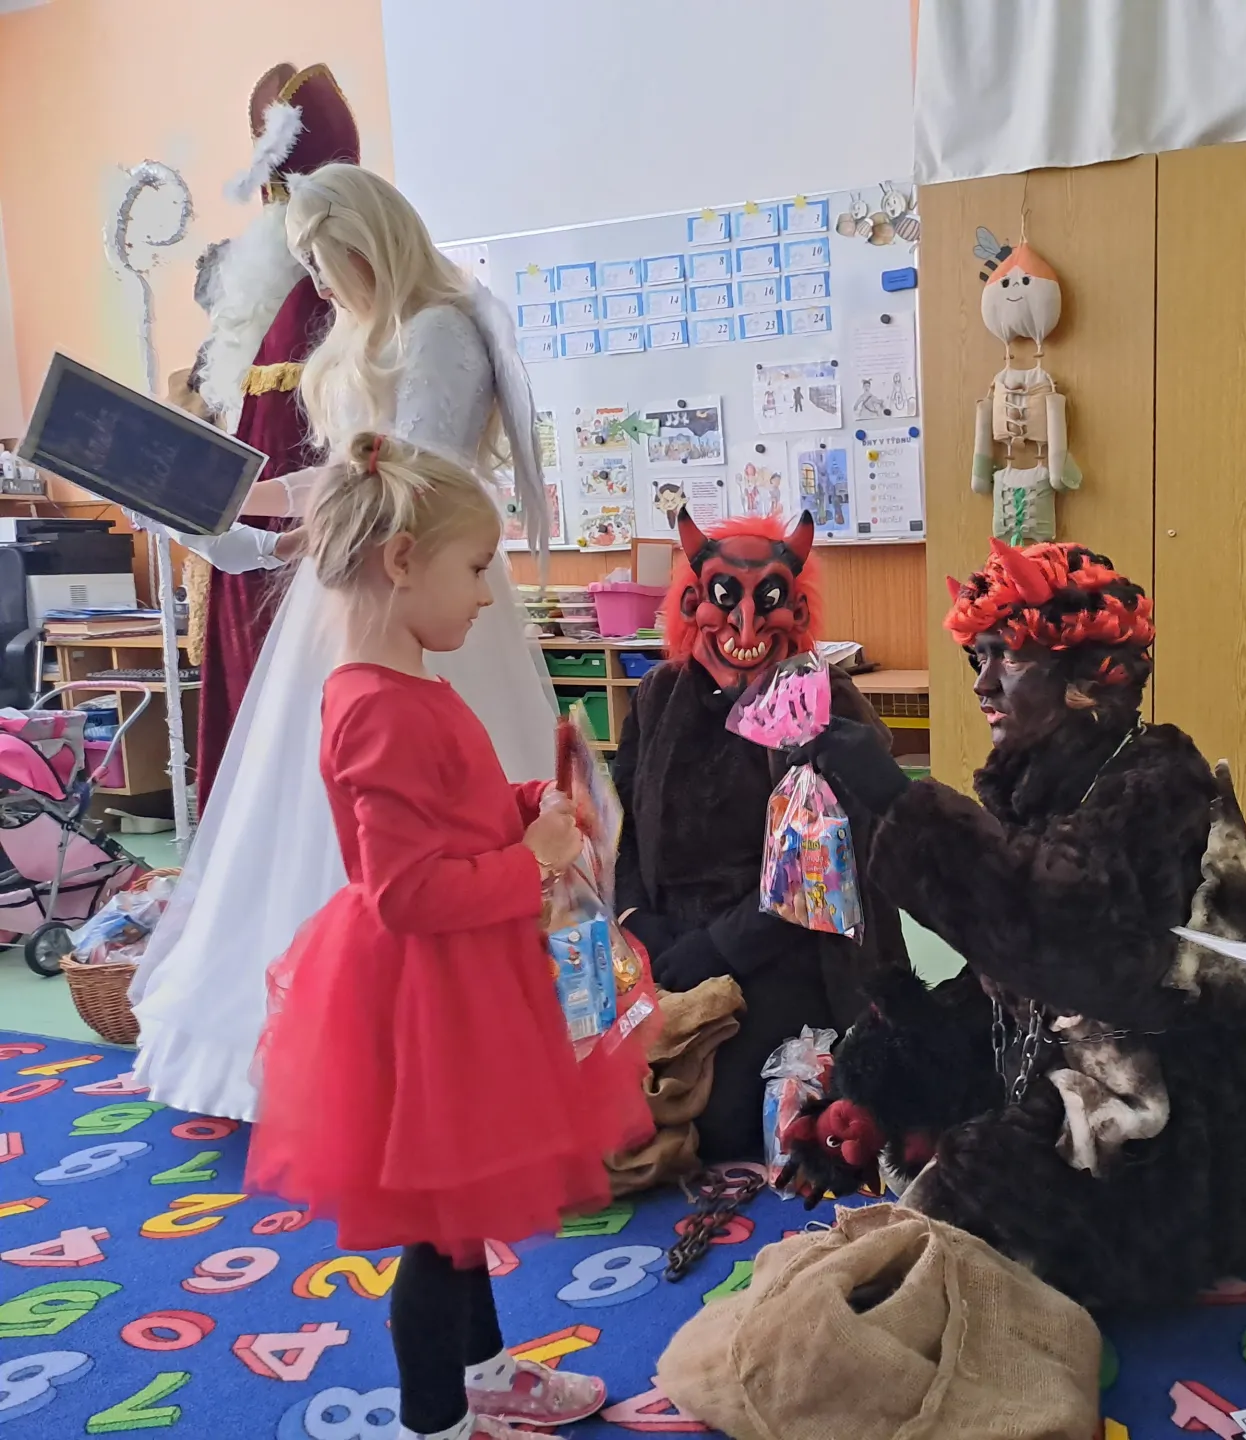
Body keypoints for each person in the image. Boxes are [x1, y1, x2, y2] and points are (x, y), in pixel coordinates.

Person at [779, 538, 1246, 1310]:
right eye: (978, 657)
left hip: (1188, 1096)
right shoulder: (1039, 781)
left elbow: (1061, 936)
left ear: (1089, 676)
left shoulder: (1157, 786)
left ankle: (1229, 1214)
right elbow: (1000, 977)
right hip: (1068, 1055)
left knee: (952, 1235)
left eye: (1008, 657)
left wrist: (898, 798)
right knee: (895, 1085)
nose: (983, 683)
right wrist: (874, 1086)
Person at [131, 163, 558, 1121]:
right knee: (326, 805)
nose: (319, 284)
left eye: (326, 262)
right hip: (361, 594)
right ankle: (337, 1032)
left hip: (423, 589)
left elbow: (419, 487)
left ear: (371, 245)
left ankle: (445, 1044)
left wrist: (277, 519)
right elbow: (348, 480)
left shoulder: (439, 330)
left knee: (431, 797)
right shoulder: (363, 334)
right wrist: (244, 508)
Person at [246, 432, 649, 1440]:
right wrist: (537, 863)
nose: (483, 596)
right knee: (436, 1236)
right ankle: (436, 1421)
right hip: (429, 992)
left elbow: (447, 813)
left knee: (459, 1215)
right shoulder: (378, 707)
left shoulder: (404, 685)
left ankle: (487, 1372)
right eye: (475, 569)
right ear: (400, 562)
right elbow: (408, 893)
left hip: (461, 977)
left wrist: (523, 803)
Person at [611, 510, 909, 1162]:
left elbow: (825, 874)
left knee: (726, 1122)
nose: (744, 626)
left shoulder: (822, 702)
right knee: (611, 1105)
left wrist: (718, 946)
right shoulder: (659, 694)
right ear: (691, 604)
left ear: (796, 610)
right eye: (724, 599)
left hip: (785, 950)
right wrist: (637, 922)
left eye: (767, 600)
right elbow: (621, 824)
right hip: (665, 945)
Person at [174, 61, 360, 810]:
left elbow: (295, 464)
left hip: (294, 568)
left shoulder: (305, 310)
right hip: (259, 549)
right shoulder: (272, 308)